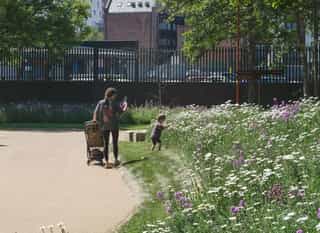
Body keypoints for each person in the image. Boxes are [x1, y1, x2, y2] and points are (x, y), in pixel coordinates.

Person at [93, 87, 127, 168]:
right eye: (114, 95)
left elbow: (96, 113)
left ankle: (107, 162)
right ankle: (115, 160)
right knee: (115, 143)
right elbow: (121, 111)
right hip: (114, 126)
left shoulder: (100, 103)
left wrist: (96, 122)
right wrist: (125, 105)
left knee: (106, 144)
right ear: (111, 95)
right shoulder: (114, 103)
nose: (115, 96)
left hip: (104, 127)